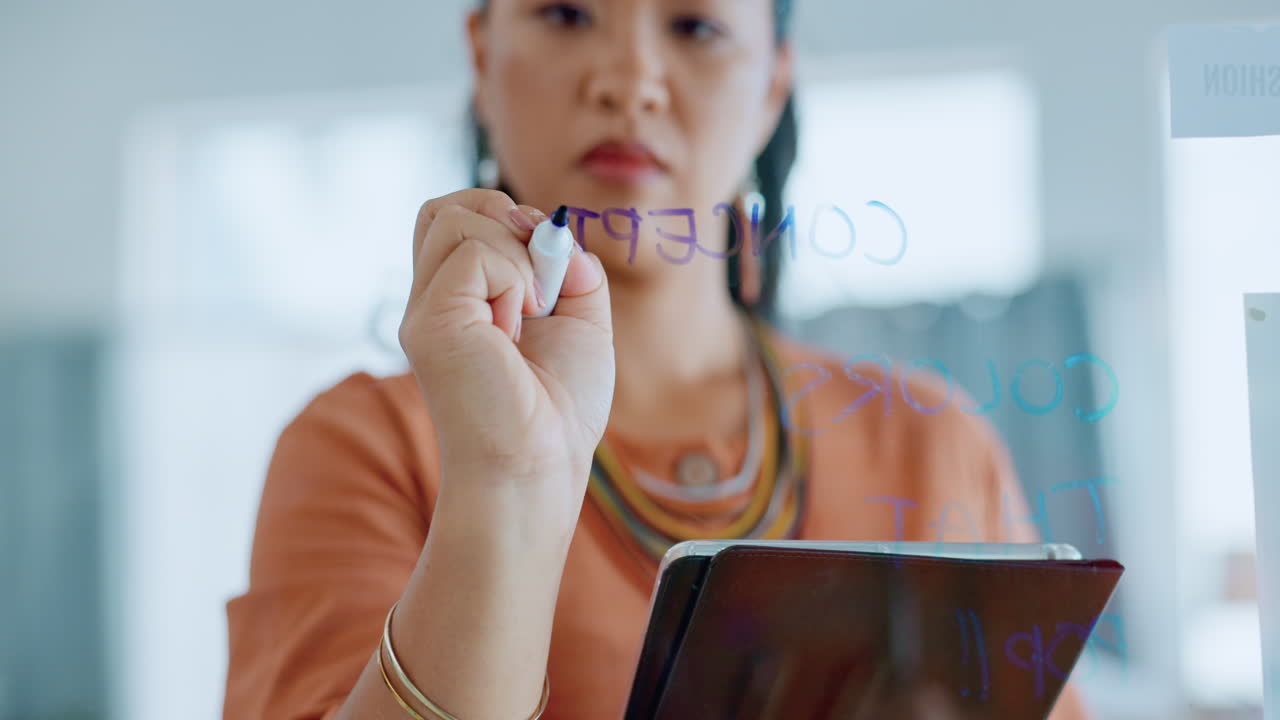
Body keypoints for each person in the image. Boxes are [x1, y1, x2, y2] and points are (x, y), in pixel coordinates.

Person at [223, 1, 1095, 719]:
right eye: (567, 15)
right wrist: (506, 484)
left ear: (773, 85)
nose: (629, 80)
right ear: (482, 55)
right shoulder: (362, 449)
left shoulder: (933, 442)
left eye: (696, 27)